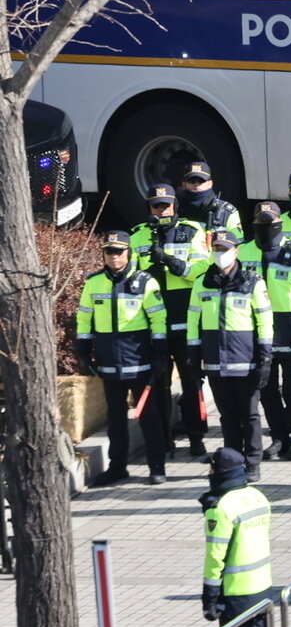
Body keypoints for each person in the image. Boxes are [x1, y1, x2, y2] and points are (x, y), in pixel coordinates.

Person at [75, 230, 169, 486]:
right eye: (109, 251)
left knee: (148, 416)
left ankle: (156, 466)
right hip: (109, 361)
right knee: (115, 419)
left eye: (119, 251)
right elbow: (84, 318)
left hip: (140, 361)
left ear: (129, 252)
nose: (114, 256)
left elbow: (158, 319)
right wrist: (82, 352)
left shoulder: (145, 282)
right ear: (103, 254)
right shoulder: (93, 283)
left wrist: (161, 353)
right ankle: (117, 468)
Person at [131, 182, 211, 457]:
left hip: (185, 320)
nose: (161, 210)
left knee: (192, 382)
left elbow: (201, 270)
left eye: (166, 205)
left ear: (175, 205)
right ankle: (164, 442)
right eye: (156, 205)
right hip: (154, 324)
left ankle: (197, 437)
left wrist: (169, 261)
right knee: (159, 384)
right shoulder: (138, 236)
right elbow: (131, 278)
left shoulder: (192, 231)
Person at [200, 446, 273, 627]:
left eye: (211, 468)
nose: (208, 474)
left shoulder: (222, 508)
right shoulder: (258, 497)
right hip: (263, 588)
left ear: (221, 472)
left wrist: (209, 597)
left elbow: (215, 557)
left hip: (236, 595)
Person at [189, 231, 273, 482]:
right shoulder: (202, 282)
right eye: (216, 248)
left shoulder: (252, 282)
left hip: (245, 360)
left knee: (249, 415)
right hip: (216, 361)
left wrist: (265, 358)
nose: (220, 253)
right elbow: (194, 320)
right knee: (227, 416)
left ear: (236, 251)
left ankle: (253, 461)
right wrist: (193, 356)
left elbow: (265, 321)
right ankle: (233, 460)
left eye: (225, 248)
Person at [240, 202, 291, 461]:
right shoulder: (242, 252)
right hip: (257, 331)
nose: (266, 226)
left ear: (279, 223)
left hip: (289, 328)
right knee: (267, 389)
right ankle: (279, 436)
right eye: (261, 221)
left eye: (271, 221)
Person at [177, 160, 242, 240]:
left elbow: (238, 245)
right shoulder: (174, 210)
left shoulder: (227, 212)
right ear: (184, 184)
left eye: (201, 181)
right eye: (192, 181)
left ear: (210, 183)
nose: (197, 184)